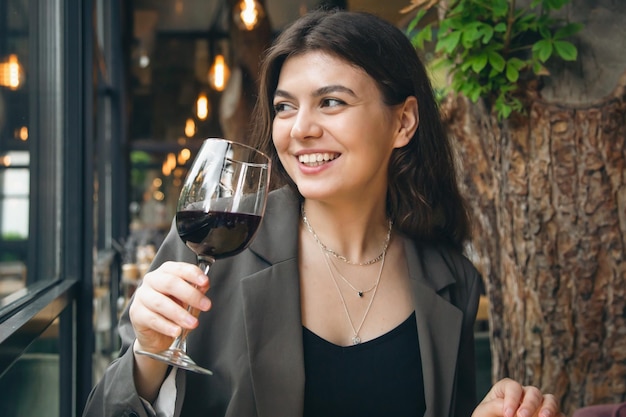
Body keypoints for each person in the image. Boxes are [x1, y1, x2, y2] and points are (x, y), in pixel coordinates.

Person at [82, 9, 564, 417]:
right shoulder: (217, 241)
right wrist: (148, 355)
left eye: (331, 102)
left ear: (404, 121)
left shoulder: (452, 279)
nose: (300, 129)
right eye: (285, 107)